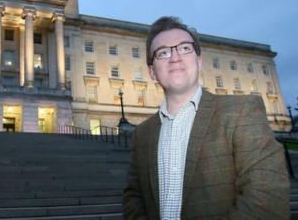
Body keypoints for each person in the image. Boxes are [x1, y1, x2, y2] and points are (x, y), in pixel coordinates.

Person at [123, 16, 290, 219]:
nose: (175, 57)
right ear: (152, 72)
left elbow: (268, 200)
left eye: (185, 48)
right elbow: (133, 198)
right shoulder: (142, 133)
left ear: (199, 61)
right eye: (163, 52)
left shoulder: (243, 112)